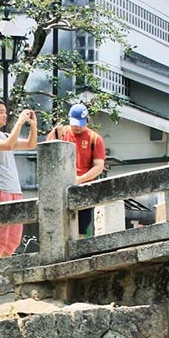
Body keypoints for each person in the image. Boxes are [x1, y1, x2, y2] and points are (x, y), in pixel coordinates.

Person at [0, 97, 37, 258]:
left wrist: (33, 125)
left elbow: (30, 144)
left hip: (14, 189)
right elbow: (8, 145)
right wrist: (19, 122)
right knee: (0, 234)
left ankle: (5, 267)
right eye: (1, 112)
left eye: (5, 112)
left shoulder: (4, 135)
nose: (5, 116)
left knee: (14, 237)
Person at [46, 102, 106, 238]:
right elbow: (48, 155)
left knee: (80, 229)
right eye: (74, 123)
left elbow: (99, 166)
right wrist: (56, 137)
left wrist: (80, 179)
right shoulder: (61, 133)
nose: (77, 127)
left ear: (87, 120)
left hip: (83, 187)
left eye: (80, 123)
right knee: (57, 226)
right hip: (60, 186)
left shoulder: (94, 139)